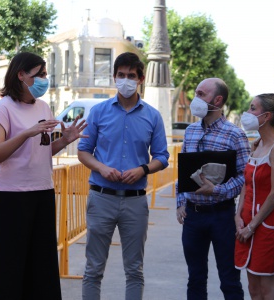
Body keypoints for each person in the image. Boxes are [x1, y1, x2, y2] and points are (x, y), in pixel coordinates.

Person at [0, 52, 87, 299]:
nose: (44, 79)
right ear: (21, 75)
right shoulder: (2, 108)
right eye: (39, 74)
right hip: (10, 198)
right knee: (11, 267)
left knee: (42, 266)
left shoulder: (43, 107)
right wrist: (25, 133)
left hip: (41, 193)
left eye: (45, 74)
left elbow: (42, 150)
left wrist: (64, 140)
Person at [78, 52, 169, 300]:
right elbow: (83, 152)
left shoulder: (152, 116)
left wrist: (143, 169)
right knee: (93, 269)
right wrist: (101, 168)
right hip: (101, 198)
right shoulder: (98, 112)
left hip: (135, 201)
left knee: (134, 270)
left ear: (140, 79)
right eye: (121, 75)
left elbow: (162, 156)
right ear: (114, 77)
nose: (125, 80)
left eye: (131, 76)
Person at [176, 78, 250, 300]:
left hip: (222, 216)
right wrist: (180, 202)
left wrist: (218, 190)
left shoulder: (235, 134)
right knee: (195, 279)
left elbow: (244, 178)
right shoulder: (190, 131)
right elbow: (183, 170)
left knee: (229, 280)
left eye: (201, 94)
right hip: (193, 216)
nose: (195, 98)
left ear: (217, 100)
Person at [235, 94, 274, 299]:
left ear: (266, 116)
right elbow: (246, 184)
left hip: (266, 226)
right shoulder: (256, 145)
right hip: (246, 224)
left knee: (268, 288)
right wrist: (238, 216)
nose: (247, 113)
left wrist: (252, 226)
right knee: (253, 287)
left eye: (252, 108)